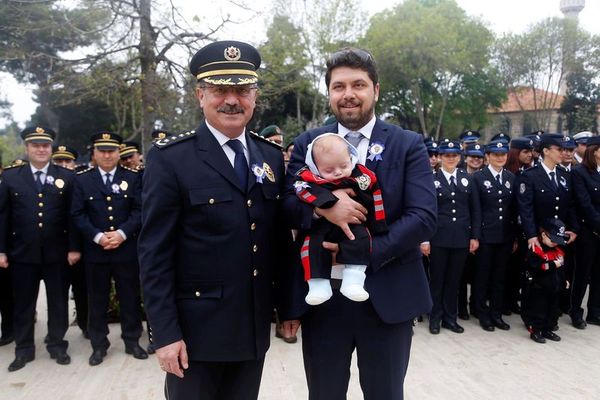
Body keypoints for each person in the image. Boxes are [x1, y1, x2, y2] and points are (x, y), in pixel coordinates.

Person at [281, 47, 436, 400]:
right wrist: (325, 209)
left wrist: (364, 252)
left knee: (384, 393)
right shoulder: (309, 143)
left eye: (358, 85)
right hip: (323, 300)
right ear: (330, 93)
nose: (348, 94)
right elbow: (287, 207)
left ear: (375, 90)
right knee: (324, 394)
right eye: (338, 86)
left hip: (388, 295)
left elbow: (424, 217)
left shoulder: (407, 144)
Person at [138, 40, 287, 400]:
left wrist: (288, 307)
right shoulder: (171, 159)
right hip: (195, 336)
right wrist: (165, 333)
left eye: (242, 89)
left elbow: (278, 240)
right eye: (220, 90)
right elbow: (154, 254)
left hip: (252, 329)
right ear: (200, 95)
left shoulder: (270, 157)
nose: (232, 100)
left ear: (254, 96)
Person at [0, 126, 80, 371]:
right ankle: (24, 349)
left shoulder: (67, 177)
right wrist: (2, 250)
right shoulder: (11, 177)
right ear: (27, 148)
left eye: (45, 145)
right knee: (23, 304)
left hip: (57, 254)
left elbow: (72, 216)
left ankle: (57, 344)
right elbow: (3, 217)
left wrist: (74, 248)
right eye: (36, 145)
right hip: (22, 254)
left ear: (51, 148)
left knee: (58, 303)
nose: (41, 149)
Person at [71, 131, 147, 366]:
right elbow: (77, 213)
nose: (107, 155)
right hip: (96, 251)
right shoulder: (82, 179)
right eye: (102, 150)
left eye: (111, 150)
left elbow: (139, 210)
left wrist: (122, 233)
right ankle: (99, 345)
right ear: (93, 153)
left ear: (118, 152)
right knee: (97, 300)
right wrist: (98, 237)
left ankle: (132, 340)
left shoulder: (133, 178)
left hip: (125, 249)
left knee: (130, 297)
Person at [293, 133, 387, 305]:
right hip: (320, 227)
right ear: (315, 167)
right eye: (328, 170)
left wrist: (379, 223)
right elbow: (301, 190)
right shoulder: (308, 177)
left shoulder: (363, 175)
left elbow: (376, 196)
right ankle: (317, 285)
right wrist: (326, 204)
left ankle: (354, 280)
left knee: (361, 239)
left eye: (344, 165)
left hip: (355, 223)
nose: (338, 172)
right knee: (311, 246)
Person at [428, 139, 481, 335]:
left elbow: (475, 210)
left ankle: (451, 318)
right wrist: (425, 239)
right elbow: (427, 211)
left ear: (460, 157)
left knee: (454, 281)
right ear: (440, 158)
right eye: (447, 156)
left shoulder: (468, 179)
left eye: (454, 155)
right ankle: (435, 318)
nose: (451, 159)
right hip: (438, 238)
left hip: (461, 238)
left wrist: (474, 236)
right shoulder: (431, 179)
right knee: (437, 280)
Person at [471, 140, 516, 331]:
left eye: (503, 155)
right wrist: (475, 236)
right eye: (496, 155)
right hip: (486, 235)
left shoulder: (511, 178)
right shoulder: (478, 178)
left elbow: (513, 211)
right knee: (483, 276)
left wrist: (514, 237)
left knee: (500, 277)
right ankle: (482, 313)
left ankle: (496, 313)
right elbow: (476, 209)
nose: (500, 158)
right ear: (487, 157)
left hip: (504, 235)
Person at [52, 145, 89, 339]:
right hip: (57, 249)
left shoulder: (81, 181)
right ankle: (56, 334)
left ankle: (85, 324)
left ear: (74, 163)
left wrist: (76, 247)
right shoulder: (48, 183)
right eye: (59, 161)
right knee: (58, 294)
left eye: (68, 161)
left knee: (82, 290)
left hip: (82, 248)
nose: (64, 165)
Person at [569, 136, 600, 329]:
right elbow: (584, 204)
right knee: (582, 273)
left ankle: (595, 312)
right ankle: (575, 311)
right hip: (588, 230)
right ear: (594, 150)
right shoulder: (580, 173)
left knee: (599, 274)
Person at [522, 218, 568, 343]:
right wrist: (553, 264)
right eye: (553, 240)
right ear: (543, 234)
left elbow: (562, 268)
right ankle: (535, 331)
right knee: (539, 311)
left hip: (555, 288)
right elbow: (538, 266)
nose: (555, 243)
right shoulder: (537, 250)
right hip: (540, 288)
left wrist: (564, 280)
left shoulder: (559, 251)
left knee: (553, 311)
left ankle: (548, 329)